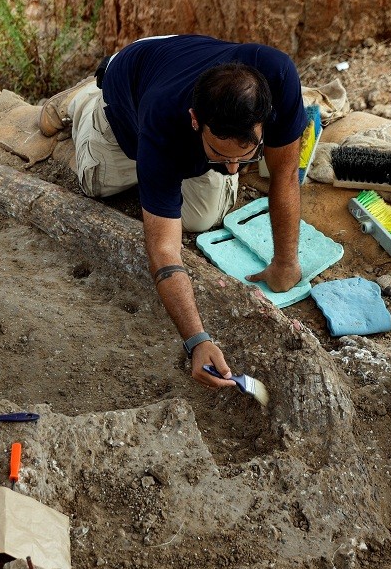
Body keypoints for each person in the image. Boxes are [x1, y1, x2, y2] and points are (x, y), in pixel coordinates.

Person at [39, 34, 306, 391]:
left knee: (201, 219)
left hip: (177, 63)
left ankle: (191, 158)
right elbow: (164, 251)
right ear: (196, 120)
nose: (231, 170)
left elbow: (286, 174)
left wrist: (286, 263)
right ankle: (83, 100)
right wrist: (197, 339)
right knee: (97, 185)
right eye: (220, 154)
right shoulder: (162, 119)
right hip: (129, 91)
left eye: (244, 156)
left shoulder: (279, 76)